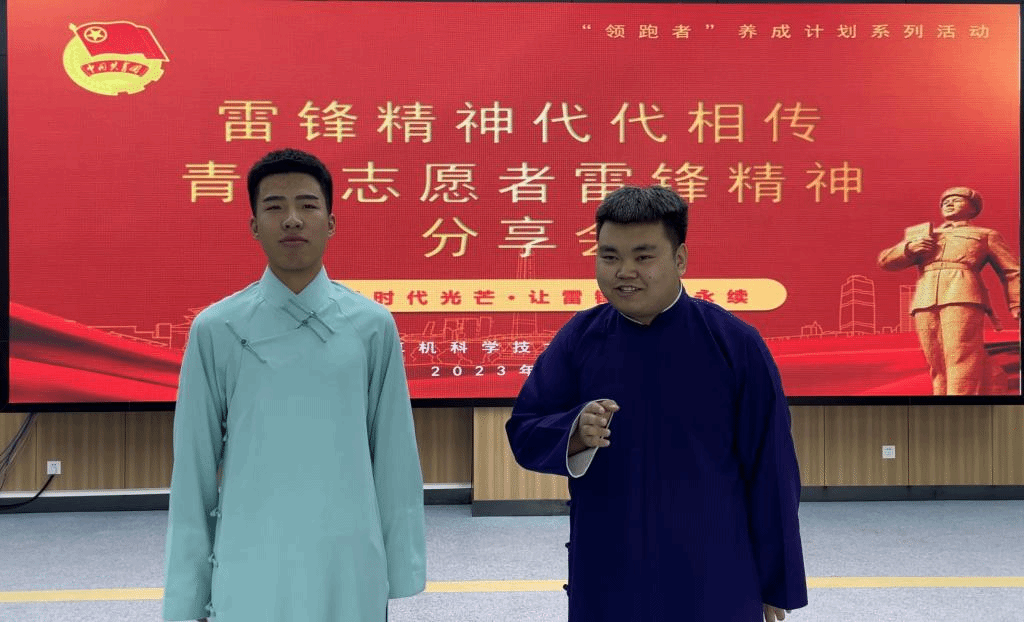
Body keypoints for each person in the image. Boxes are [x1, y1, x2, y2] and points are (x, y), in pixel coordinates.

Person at [506, 185, 808, 622]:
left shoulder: (734, 343)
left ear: (679, 259)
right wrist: (573, 432)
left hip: (714, 566)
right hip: (609, 565)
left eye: (643, 257)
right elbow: (525, 427)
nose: (624, 271)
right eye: (610, 257)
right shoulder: (579, 338)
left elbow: (772, 467)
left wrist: (775, 580)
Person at [163, 148, 425, 622]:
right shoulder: (217, 328)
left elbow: (394, 459)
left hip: (349, 557)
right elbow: (193, 474)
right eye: (274, 206)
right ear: (253, 225)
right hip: (250, 555)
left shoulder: (371, 325)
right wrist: (188, 595)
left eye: (307, 205)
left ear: (331, 223)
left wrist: (399, 568)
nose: (292, 219)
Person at [878, 186, 1021, 395]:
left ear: (973, 208)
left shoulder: (985, 235)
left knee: (961, 353)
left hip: (962, 293)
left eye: (957, 200)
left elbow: (1011, 270)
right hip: (925, 297)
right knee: (935, 358)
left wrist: (1016, 302)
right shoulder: (924, 235)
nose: (949, 203)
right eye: (945, 201)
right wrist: (909, 249)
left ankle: (961, 402)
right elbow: (885, 261)